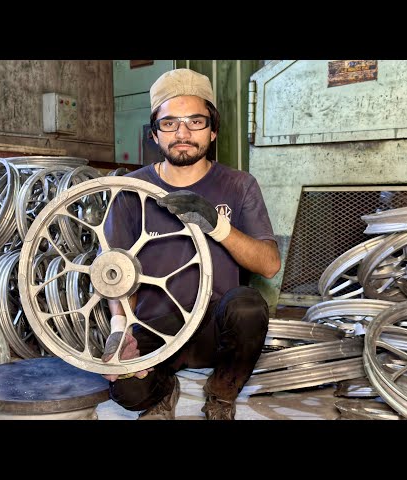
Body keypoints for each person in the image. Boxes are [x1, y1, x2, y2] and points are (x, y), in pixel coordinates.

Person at [100, 68, 281, 420]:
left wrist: (217, 225)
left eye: (195, 122)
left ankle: (223, 391)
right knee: (127, 389)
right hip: (155, 327)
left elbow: (269, 265)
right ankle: (163, 388)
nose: (182, 133)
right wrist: (119, 330)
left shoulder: (239, 185)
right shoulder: (130, 190)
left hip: (216, 327)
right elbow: (114, 270)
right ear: (154, 134)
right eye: (169, 123)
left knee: (248, 306)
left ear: (213, 131)